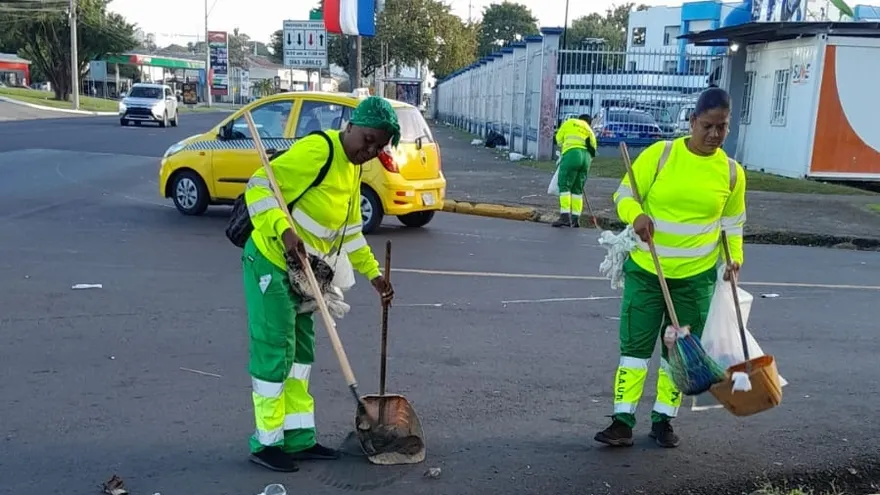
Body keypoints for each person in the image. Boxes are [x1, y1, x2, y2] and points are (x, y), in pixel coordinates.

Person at [241, 96, 399, 472]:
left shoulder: (354, 170)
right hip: (271, 258)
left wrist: (375, 275)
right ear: (352, 127)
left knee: (301, 355)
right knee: (276, 348)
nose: (371, 151)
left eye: (379, 146)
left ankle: (297, 438)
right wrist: (284, 232)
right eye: (368, 140)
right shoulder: (319, 150)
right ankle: (266, 443)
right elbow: (259, 187)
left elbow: (350, 234)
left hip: (305, 272)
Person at [594, 87, 746, 449]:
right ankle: (621, 421)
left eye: (722, 127)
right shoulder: (660, 156)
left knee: (679, 354)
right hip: (648, 271)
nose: (714, 135)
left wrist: (733, 259)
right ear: (692, 122)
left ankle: (664, 420)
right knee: (634, 348)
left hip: (695, 280)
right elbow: (624, 196)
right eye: (707, 126)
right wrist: (637, 217)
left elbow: (733, 223)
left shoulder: (731, 173)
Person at [552, 114, 598, 228]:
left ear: (579, 118)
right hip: (586, 159)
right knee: (577, 190)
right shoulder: (589, 130)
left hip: (572, 155)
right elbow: (593, 150)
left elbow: (557, 140)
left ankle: (565, 217)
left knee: (565, 186)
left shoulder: (570, 122)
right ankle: (575, 219)